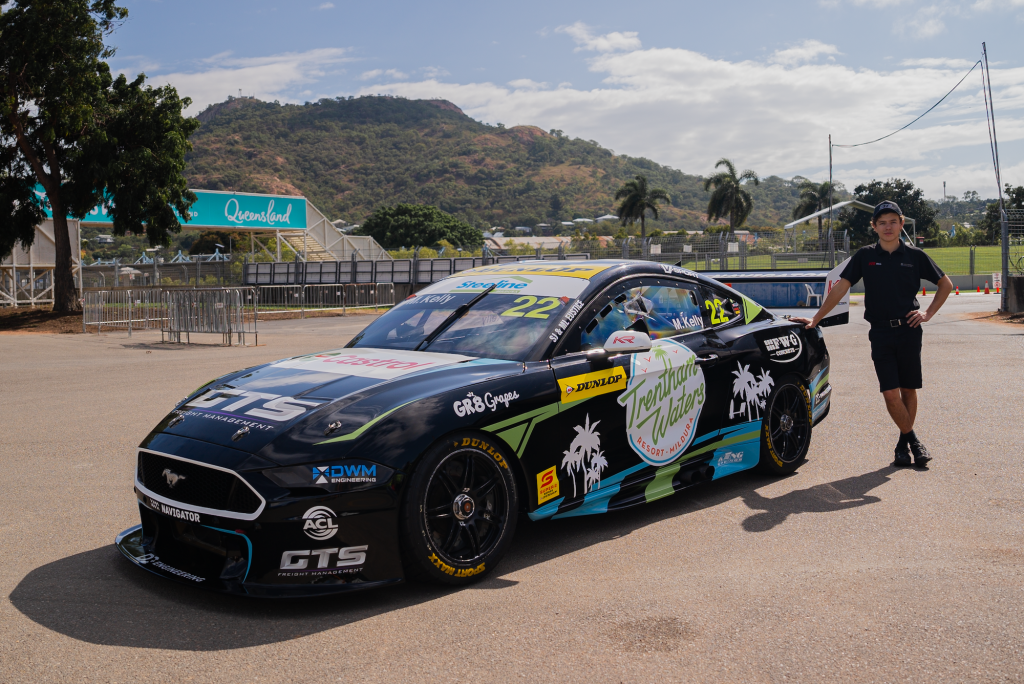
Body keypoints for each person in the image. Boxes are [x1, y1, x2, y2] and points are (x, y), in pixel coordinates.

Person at [792, 201, 953, 467]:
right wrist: (816, 318)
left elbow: (945, 284)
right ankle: (913, 440)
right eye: (882, 222)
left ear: (901, 223)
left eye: (893, 221)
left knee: (908, 389)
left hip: (910, 330)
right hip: (880, 332)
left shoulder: (915, 256)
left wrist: (928, 313)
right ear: (874, 226)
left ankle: (902, 446)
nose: (887, 227)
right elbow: (840, 288)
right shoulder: (865, 256)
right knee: (890, 393)